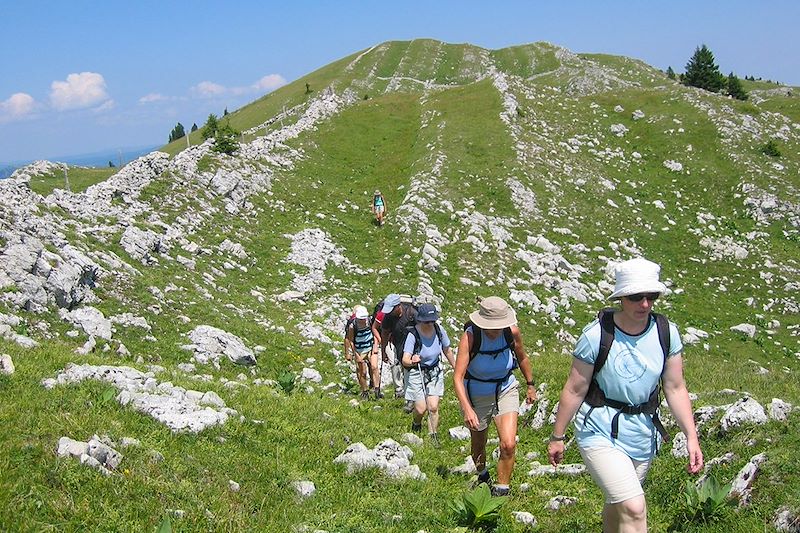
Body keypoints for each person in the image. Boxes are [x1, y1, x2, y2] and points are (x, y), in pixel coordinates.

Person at [547, 258, 703, 533]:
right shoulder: (597, 335)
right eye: (636, 297)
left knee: (618, 502)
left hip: (642, 434)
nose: (645, 304)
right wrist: (558, 437)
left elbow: (675, 387)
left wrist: (691, 436)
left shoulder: (666, 333)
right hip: (598, 430)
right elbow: (575, 388)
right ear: (621, 297)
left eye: (651, 296)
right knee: (634, 507)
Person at [453, 296, 537, 497]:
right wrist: (467, 409)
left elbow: (522, 357)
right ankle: (482, 475)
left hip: (505, 388)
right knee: (479, 443)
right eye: (493, 326)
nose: (497, 329)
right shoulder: (471, 337)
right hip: (477, 393)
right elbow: (457, 377)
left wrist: (530, 385)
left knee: (508, 443)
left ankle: (502, 491)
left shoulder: (511, 333)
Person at [401, 303, 456, 444]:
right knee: (420, 409)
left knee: (433, 407)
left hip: (434, 371)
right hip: (416, 371)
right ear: (421, 320)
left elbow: (447, 349)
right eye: (427, 321)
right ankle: (416, 423)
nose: (430, 323)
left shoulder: (439, 330)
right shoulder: (413, 334)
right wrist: (413, 360)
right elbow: (405, 360)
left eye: (432, 320)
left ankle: (433, 436)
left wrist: (456, 368)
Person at [372, 293, 417, 411]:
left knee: (411, 371)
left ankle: (413, 399)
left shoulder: (412, 313)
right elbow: (385, 334)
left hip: (415, 347)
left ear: (398, 306)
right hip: (399, 347)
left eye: (392, 309)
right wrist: (384, 352)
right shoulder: (387, 318)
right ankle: (410, 399)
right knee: (405, 369)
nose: (389, 312)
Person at [344, 305, 380, 400]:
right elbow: (350, 340)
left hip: (370, 347)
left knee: (374, 367)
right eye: (361, 319)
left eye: (363, 318)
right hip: (359, 350)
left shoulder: (370, 321)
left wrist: (375, 346)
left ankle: (376, 389)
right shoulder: (353, 325)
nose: (362, 320)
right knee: (362, 371)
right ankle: (365, 391)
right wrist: (354, 353)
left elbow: (374, 332)